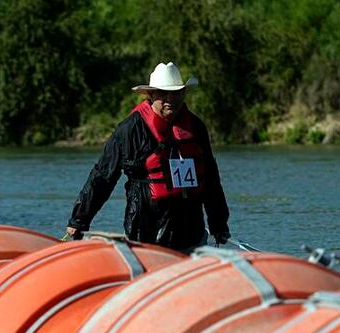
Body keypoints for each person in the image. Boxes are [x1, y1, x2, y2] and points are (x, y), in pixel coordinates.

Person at [65, 62, 230, 252]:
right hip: (146, 228)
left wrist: (218, 224)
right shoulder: (130, 129)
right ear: (151, 95)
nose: (170, 99)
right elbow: (103, 175)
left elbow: (210, 178)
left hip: (191, 229)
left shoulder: (195, 127)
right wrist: (79, 220)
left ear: (183, 94)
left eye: (176, 93)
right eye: (163, 93)